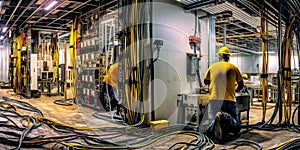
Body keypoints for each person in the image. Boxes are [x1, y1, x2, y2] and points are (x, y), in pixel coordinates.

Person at [203, 46, 244, 143]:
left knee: (211, 121)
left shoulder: (212, 67)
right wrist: (235, 90)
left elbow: (205, 81)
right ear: (228, 57)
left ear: (219, 57)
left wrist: (215, 82)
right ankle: (223, 116)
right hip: (229, 99)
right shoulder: (233, 68)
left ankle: (205, 132)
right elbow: (241, 84)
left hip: (214, 99)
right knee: (236, 126)